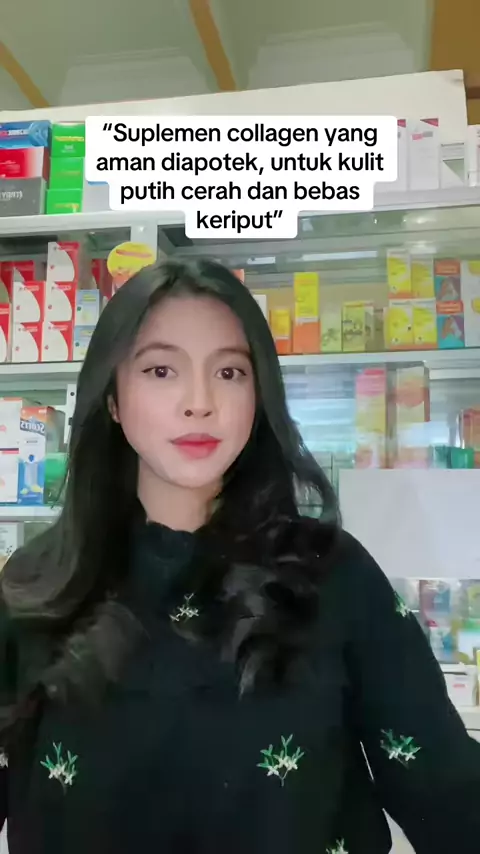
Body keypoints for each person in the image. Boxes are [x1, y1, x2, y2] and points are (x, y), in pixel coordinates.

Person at [0, 259, 478, 854]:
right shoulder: (36, 585)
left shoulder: (331, 574)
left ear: (259, 396)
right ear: (113, 399)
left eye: (229, 372)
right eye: (161, 370)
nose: (199, 402)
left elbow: (448, 791)